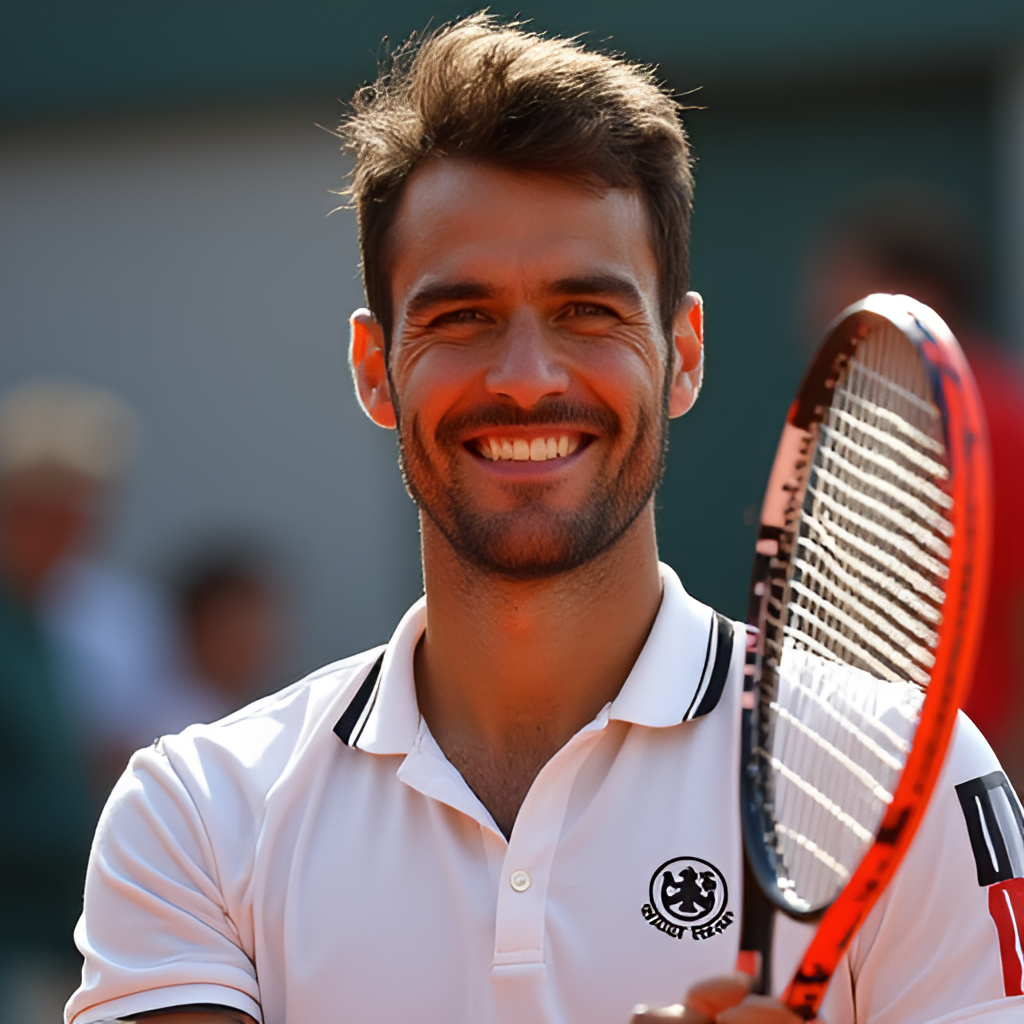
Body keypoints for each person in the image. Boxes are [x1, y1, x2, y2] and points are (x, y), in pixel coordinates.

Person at [66, 16, 1023, 1024]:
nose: (525, 380)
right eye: (461, 317)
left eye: (588, 312)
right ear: (372, 369)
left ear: (684, 353)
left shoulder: (907, 782)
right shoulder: (195, 815)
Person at [801, 187, 1024, 794]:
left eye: (847, 283)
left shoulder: (999, 420)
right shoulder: (859, 423)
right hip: (866, 778)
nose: (822, 308)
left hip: (973, 779)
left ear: (917, 297)